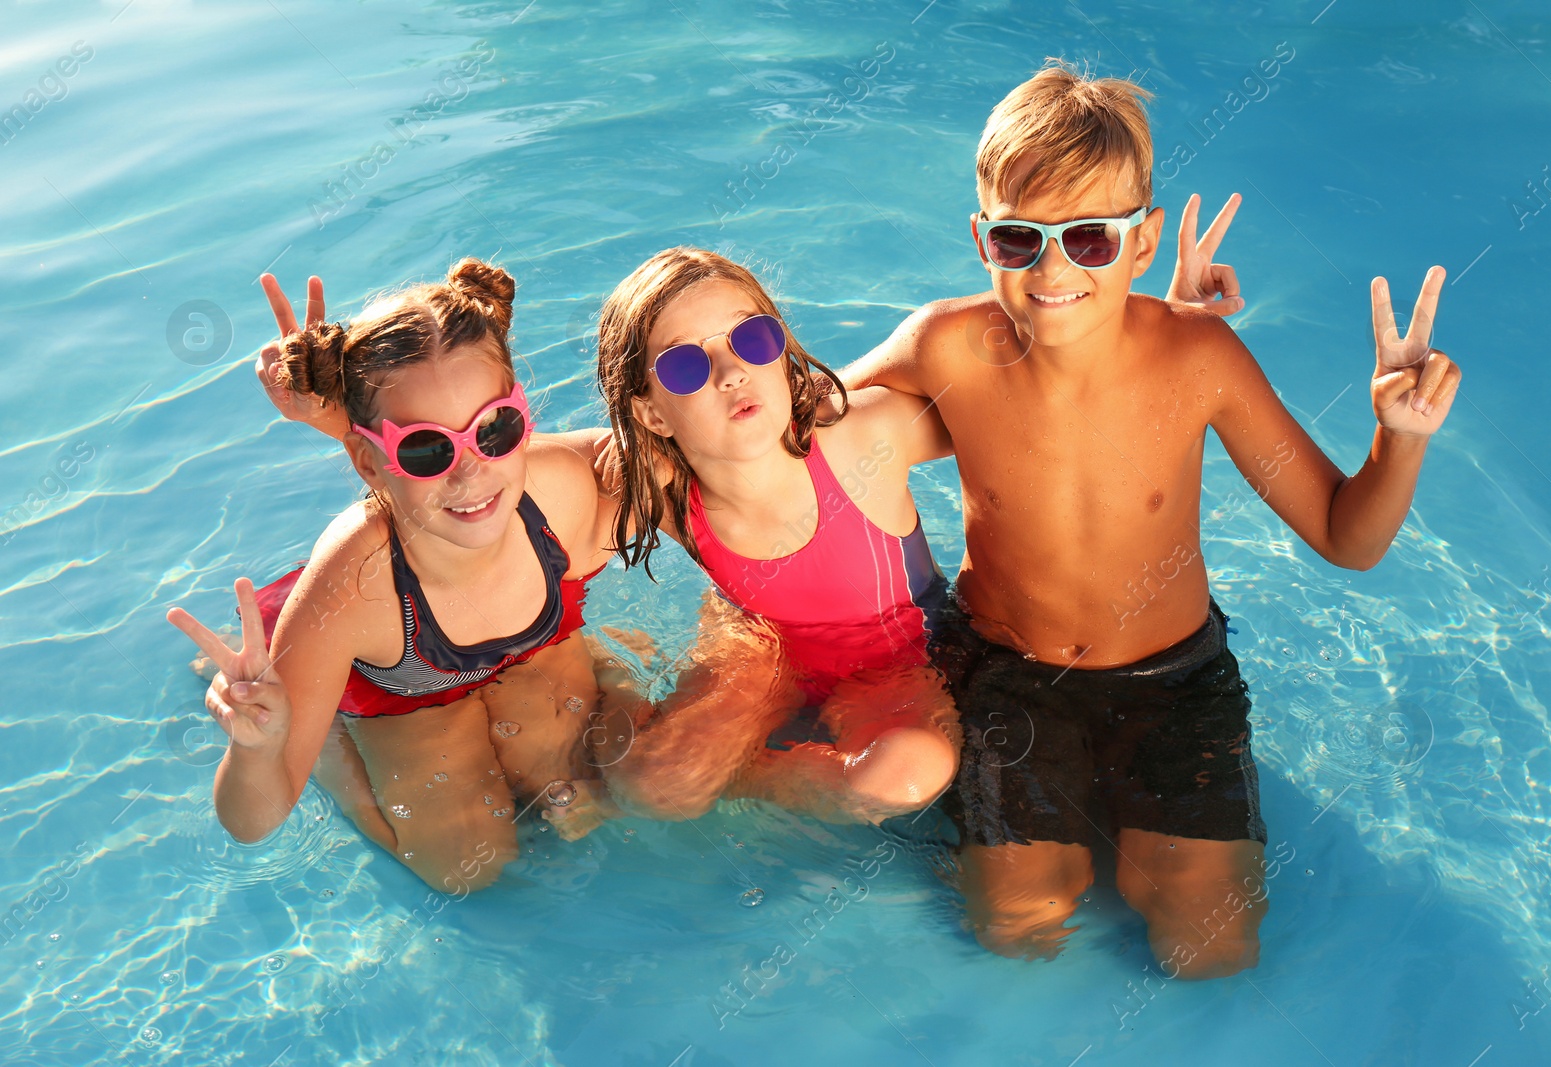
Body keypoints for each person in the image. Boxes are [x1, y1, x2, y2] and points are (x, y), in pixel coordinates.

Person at [843, 61, 1461, 975]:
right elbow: (798, 441)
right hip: (1007, 675)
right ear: (983, 240)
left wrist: (1399, 437)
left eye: (1091, 239)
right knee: (1019, 927)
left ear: (1143, 240)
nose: (1053, 268)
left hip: (1175, 682)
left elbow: (1347, 536)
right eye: (1022, 241)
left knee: (1207, 946)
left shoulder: (1197, 358)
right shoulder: (946, 344)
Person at [166, 258, 787, 893]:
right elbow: (252, 822)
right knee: (470, 871)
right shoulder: (352, 584)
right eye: (427, 449)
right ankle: (328, 742)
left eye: (495, 430)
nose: (470, 473)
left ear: (524, 417)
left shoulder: (570, 490)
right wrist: (262, 746)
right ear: (369, 463)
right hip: (405, 687)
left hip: (528, 650)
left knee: (595, 786)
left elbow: (734, 465)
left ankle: (598, 661)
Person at [584, 247, 962, 826]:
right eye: (685, 366)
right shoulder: (665, 493)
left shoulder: (864, 437)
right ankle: (615, 685)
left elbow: (1003, 408)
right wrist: (637, 450)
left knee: (907, 774)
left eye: (751, 340)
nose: (730, 372)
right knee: (656, 788)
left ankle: (750, 775)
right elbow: (516, 477)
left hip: (898, 661)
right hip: (761, 650)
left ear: (782, 354)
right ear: (653, 415)